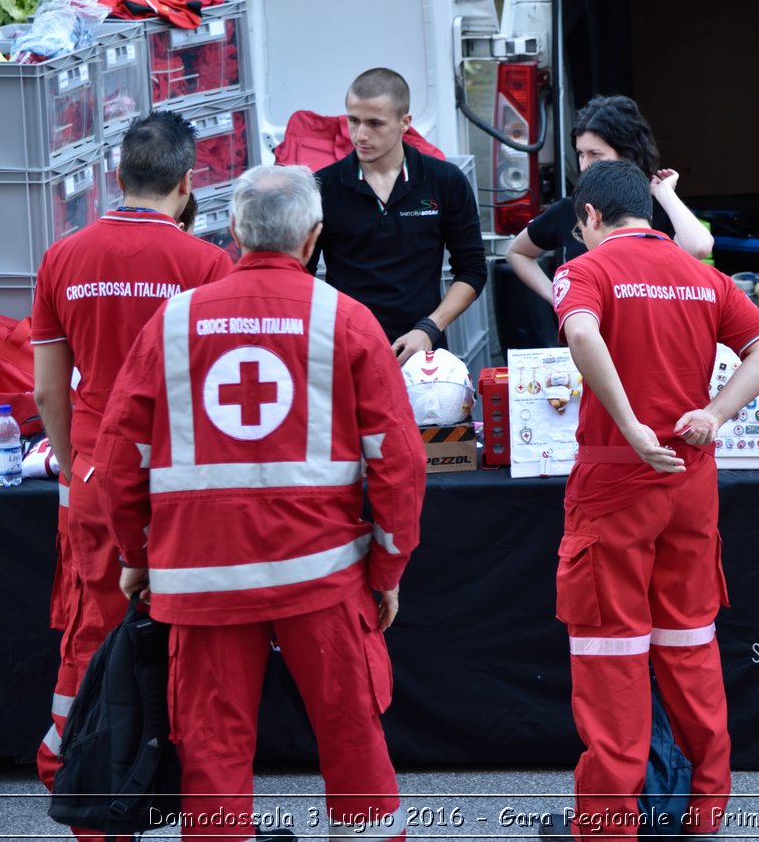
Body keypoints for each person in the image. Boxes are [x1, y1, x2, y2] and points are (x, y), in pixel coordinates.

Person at [94, 164, 426, 841]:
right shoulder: (348, 320)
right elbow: (399, 463)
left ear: (235, 232)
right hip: (321, 575)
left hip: (201, 575)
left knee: (213, 753)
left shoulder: (173, 323)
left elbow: (120, 459)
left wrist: (136, 557)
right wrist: (388, 569)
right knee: (353, 738)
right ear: (313, 238)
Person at [540, 160, 759, 840]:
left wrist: (627, 424)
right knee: (691, 649)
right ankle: (705, 814)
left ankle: (610, 827)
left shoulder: (587, 271)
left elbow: (583, 333)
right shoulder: (698, 273)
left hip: (616, 484)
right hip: (691, 483)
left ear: (590, 217)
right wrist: (716, 412)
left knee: (611, 663)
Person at [29, 110, 232, 816]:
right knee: (190, 632)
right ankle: (178, 775)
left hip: (91, 468)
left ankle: (69, 760)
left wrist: (71, 459)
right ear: (185, 182)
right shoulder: (206, 265)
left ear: (117, 177)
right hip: (176, 475)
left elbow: (49, 388)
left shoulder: (63, 257)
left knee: (94, 621)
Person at [312, 67, 487, 363]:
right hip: (348, 352)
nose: (360, 135)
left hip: (422, 355)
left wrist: (430, 328)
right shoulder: (321, 187)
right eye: (353, 120)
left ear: (404, 123)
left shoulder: (444, 180)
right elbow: (298, 275)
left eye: (375, 123)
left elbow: (472, 270)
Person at [505, 95, 714, 304]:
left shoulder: (660, 209)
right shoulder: (567, 209)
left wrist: (665, 193)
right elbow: (517, 252)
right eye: (580, 154)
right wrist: (560, 298)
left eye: (595, 154)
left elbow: (699, 247)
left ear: (627, 154)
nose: (584, 165)